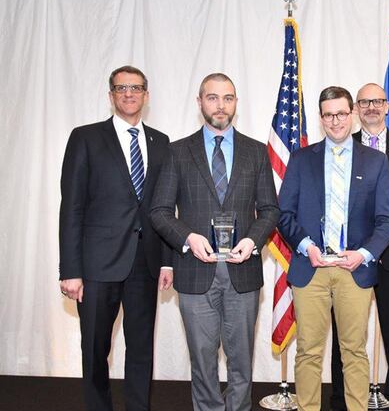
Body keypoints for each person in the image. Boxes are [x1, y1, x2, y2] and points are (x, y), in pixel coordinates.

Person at [149, 73, 280, 411]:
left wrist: (253, 240)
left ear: (236, 102)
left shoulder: (256, 151)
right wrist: (188, 238)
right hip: (194, 272)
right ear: (199, 102)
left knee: (241, 362)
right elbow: (160, 211)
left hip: (243, 272)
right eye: (213, 98)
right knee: (203, 362)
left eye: (228, 98)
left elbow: (269, 210)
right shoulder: (178, 152)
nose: (221, 106)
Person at [277, 86, 389, 411]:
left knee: (354, 351)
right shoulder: (301, 159)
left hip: (354, 269)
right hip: (310, 267)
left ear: (353, 114)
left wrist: (363, 254)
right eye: (328, 114)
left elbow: (387, 221)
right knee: (309, 351)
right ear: (320, 118)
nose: (336, 121)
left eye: (342, 113)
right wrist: (305, 246)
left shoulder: (376, 161)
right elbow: (283, 214)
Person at [59, 65, 171, 410]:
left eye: (135, 88)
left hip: (145, 264)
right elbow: (72, 207)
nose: (128, 94)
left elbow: (163, 207)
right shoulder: (86, 137)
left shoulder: (161, 141)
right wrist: (70, 269)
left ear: (146, 95)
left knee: (141, 349)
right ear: (111, 96)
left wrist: (167, 260)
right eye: (121, 88)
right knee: (94, 348)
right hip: (96, 266)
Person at [329, 83, 389, 411]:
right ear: (356, 109)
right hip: (350, 256)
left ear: (387, 106)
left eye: (378, 101)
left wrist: (386, 238)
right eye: (365, 102)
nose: (372, 106)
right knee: (346, 332)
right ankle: (342, 398)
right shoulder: (342, 145)